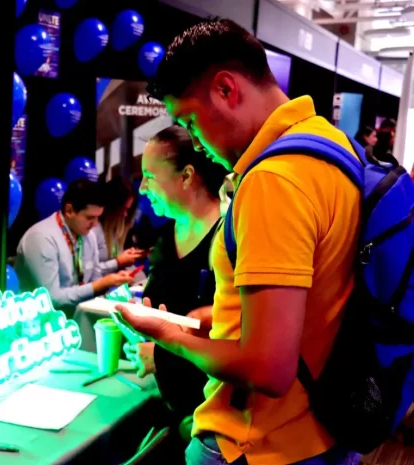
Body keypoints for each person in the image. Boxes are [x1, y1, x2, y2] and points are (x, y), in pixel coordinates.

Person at [118, 18, 362, 465]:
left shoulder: (273, 181)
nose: (196, 143)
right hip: (321, 430)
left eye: (191, 122)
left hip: (255, 442)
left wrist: (169, 337)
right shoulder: (332, 146)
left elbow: (268, 369)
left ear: (226, 89)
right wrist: (225, 316)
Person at [125, 125, 228, 439]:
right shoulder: (166, 238)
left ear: (186, 176)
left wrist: (161, 357)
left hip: (214, 425)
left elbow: (236, 344)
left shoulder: (229, 241)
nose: (143, 188)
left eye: (149, 177)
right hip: (175, 410)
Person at [14, 179, 134, 313]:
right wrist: (101, 284)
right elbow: (52, 299)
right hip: (39, 318)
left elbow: (95, 277)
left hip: (77, 312)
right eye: (90, 218)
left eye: (98, 218)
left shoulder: (88, 235)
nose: (95, 224)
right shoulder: (41, 237)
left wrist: (114, 292)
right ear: (69, 210)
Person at [94, 176, 144, 275]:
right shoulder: (94, 230)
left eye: (128, 210)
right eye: (123, 209)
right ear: (112, 206)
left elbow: (114, 257)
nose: (125, 215)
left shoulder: (116, 230)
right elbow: (88, 273)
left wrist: (126, 256)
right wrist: (118, 262)